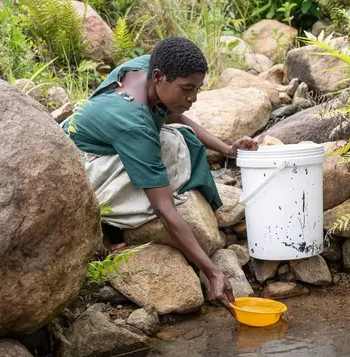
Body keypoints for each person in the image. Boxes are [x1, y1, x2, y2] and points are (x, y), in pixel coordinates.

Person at [62, 37, 257, 315]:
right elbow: (164, 210)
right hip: (78, 169)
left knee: (176, 139)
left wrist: (228, 149)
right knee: (174, 154)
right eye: (187, 89)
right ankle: (105, 226)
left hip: (84, 140)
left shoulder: (147, 68)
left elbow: (174, 116)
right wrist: (212, 272)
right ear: (158, 77)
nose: (193, 98)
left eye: (197, 88)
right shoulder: (133, 122)